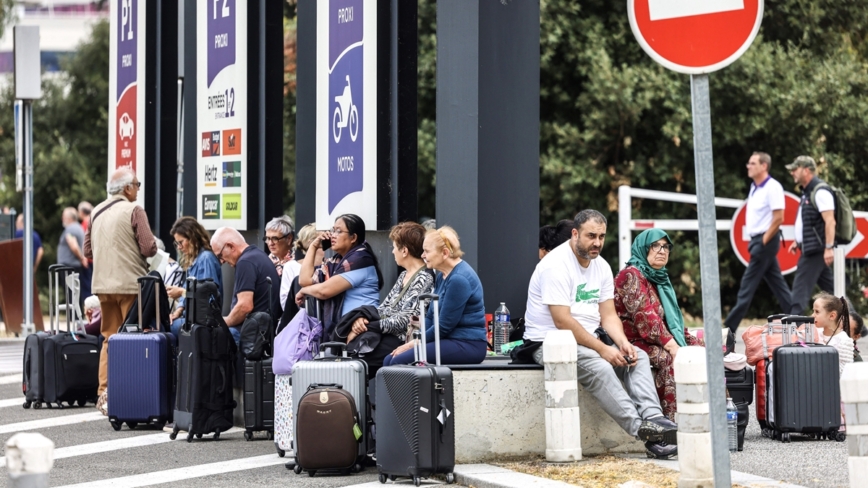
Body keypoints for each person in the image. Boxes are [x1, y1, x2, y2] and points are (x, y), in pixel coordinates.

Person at [523, 209, 678, 460]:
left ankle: (655, 419)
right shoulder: (556, 264)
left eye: (601, 236)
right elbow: (562, 321)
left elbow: (608, 316)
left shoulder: (602, 266)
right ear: (575, 234)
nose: (597, 243)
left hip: (588, 338)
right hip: (550, 341)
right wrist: (602, 349)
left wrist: (622, 343)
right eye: (590, 236)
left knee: (636, 356)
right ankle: (643, 431)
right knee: (601, 366)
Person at [84, 168, 157, 414]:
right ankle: (129, 390)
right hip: (130, 285)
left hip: (103, 286)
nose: (138, 188)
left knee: (109, 338)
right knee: (133, 339)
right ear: (127, 188)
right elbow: (148, 248)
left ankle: (103, 393)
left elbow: (87, 252)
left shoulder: (95, 212)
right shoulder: (134, 210)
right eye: (137, 184)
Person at [614, 229, 704, 421]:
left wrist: (690, 341)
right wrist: (674, 346)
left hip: (657, 339)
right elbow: (646, 319)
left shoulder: (659, 277)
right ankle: (670, 426)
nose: (662, 251)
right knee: (670, 360)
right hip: (634, 341)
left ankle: (717, 419)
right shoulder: (631, 276)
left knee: (704, 353)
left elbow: (672, 321)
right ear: (644, 248)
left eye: (666, 246)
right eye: (655, 245)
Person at [383, 226, 487, 366]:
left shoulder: (459, 279)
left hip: (468, 344)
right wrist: (415, 341)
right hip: (449, 340)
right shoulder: (442, 275)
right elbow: (431, 316)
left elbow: (443, 326)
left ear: (444, 253)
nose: (422, 256)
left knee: (398, 361)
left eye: (426, 251)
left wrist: (413, 344)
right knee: (389, 359)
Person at [343, 222, 434, 377]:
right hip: (387, 335)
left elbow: (405, 320)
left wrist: (369, 326)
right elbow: (385, 308)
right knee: (349, 356)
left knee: (354, 361)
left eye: (394, 247)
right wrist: (362, 320)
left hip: (402, 340)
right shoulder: (404, 275)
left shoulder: (424, 278)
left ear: (404, 250)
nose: (392, 252)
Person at [724, 153, 792, 342]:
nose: (748, 166)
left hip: (765, 241)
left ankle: (728, 330)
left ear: (764, 166)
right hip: (758, 240)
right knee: (780, 287)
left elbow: (779, 217)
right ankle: (800, 322)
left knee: (746, 287)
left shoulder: (773, 187)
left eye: (752, 163)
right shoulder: (754, 187)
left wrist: (764, 240)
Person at [296, 214, 383, 335]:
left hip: (362, 326)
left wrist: (304, 291)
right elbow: (304, 280)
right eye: (333, 230)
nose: (332, 235)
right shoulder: (336, 261)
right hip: (346, 326)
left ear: (353, 238)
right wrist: (313, 246)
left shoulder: (360, 259)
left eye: (338, 231)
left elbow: (324, 291)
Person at [211, 227, 280, 344]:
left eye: (220, 255)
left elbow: (245, 306)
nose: (221, 261)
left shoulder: (245, 262)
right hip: (263, 333)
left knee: (209, 338)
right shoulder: (259, 255)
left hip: (250, 336)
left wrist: (224, 322)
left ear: (231, 246)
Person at [787, 156, 836, 314]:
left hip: (817, 249)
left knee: (799, 289)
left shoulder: (820, 191)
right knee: (833, 292)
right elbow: (810, 222)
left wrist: (829, 248)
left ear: (806, 170)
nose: (792, 172)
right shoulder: (808, 192)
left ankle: (793, 323)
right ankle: (858, 326)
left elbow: (830, 221)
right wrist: (799, 241)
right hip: (811, 246)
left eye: (796, 169)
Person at [167, 217, 223, 335]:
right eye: (176, 243)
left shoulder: (206, 258)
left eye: (181, 242)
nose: (179, 247)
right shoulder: (196, 259)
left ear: (192, 239)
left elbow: (208, 296)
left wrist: (181, 292)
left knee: (163, 327)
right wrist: (177, 312)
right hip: (193, 319)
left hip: (203, 323)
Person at [813, 293, 855, 374]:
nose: (813, 315)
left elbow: (845, 372)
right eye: (813, 311)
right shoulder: (814, 333)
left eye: (817, 312)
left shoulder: (843, 341)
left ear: (832, 316)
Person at [57, 207, 89, 303]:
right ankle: (75, 315)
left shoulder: (71, 229)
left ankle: (72, 316)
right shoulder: (78, 228)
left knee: (70, 293)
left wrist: (81, 258)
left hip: (68, 266)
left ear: (69, 218)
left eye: (64, 217)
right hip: (73, 266)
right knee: (75, 292)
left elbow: (73, 245)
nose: (62, 219)